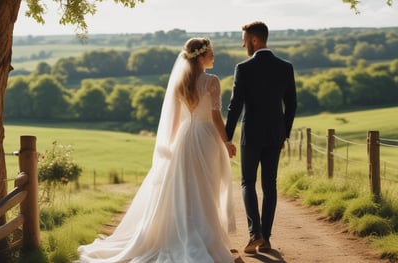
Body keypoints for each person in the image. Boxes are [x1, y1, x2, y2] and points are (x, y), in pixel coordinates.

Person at [76, 37, 237, 263]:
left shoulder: (180, 83)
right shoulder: (211, 81)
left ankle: (187, 231)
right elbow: (216, 117)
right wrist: (227, 141)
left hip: (184, 138)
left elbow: (173, 122)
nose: (213, 56)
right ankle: (207, 236)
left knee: (186, 188)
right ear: (201, 57)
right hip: (206, 138)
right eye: (211, 53)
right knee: (206, 186)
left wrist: (169, 148)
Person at [225, 21, 297, 254]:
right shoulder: (285, 67)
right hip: (275, 134)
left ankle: (254, 233)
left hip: (252, 134)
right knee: (270, 185)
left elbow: (235, 106)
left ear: (255, 40)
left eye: (245, 39)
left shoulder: (243, 68)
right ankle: (265, 238)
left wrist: (227, 137)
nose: (243, 43)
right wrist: (283, 134)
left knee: (248, 182)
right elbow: (292, 105)